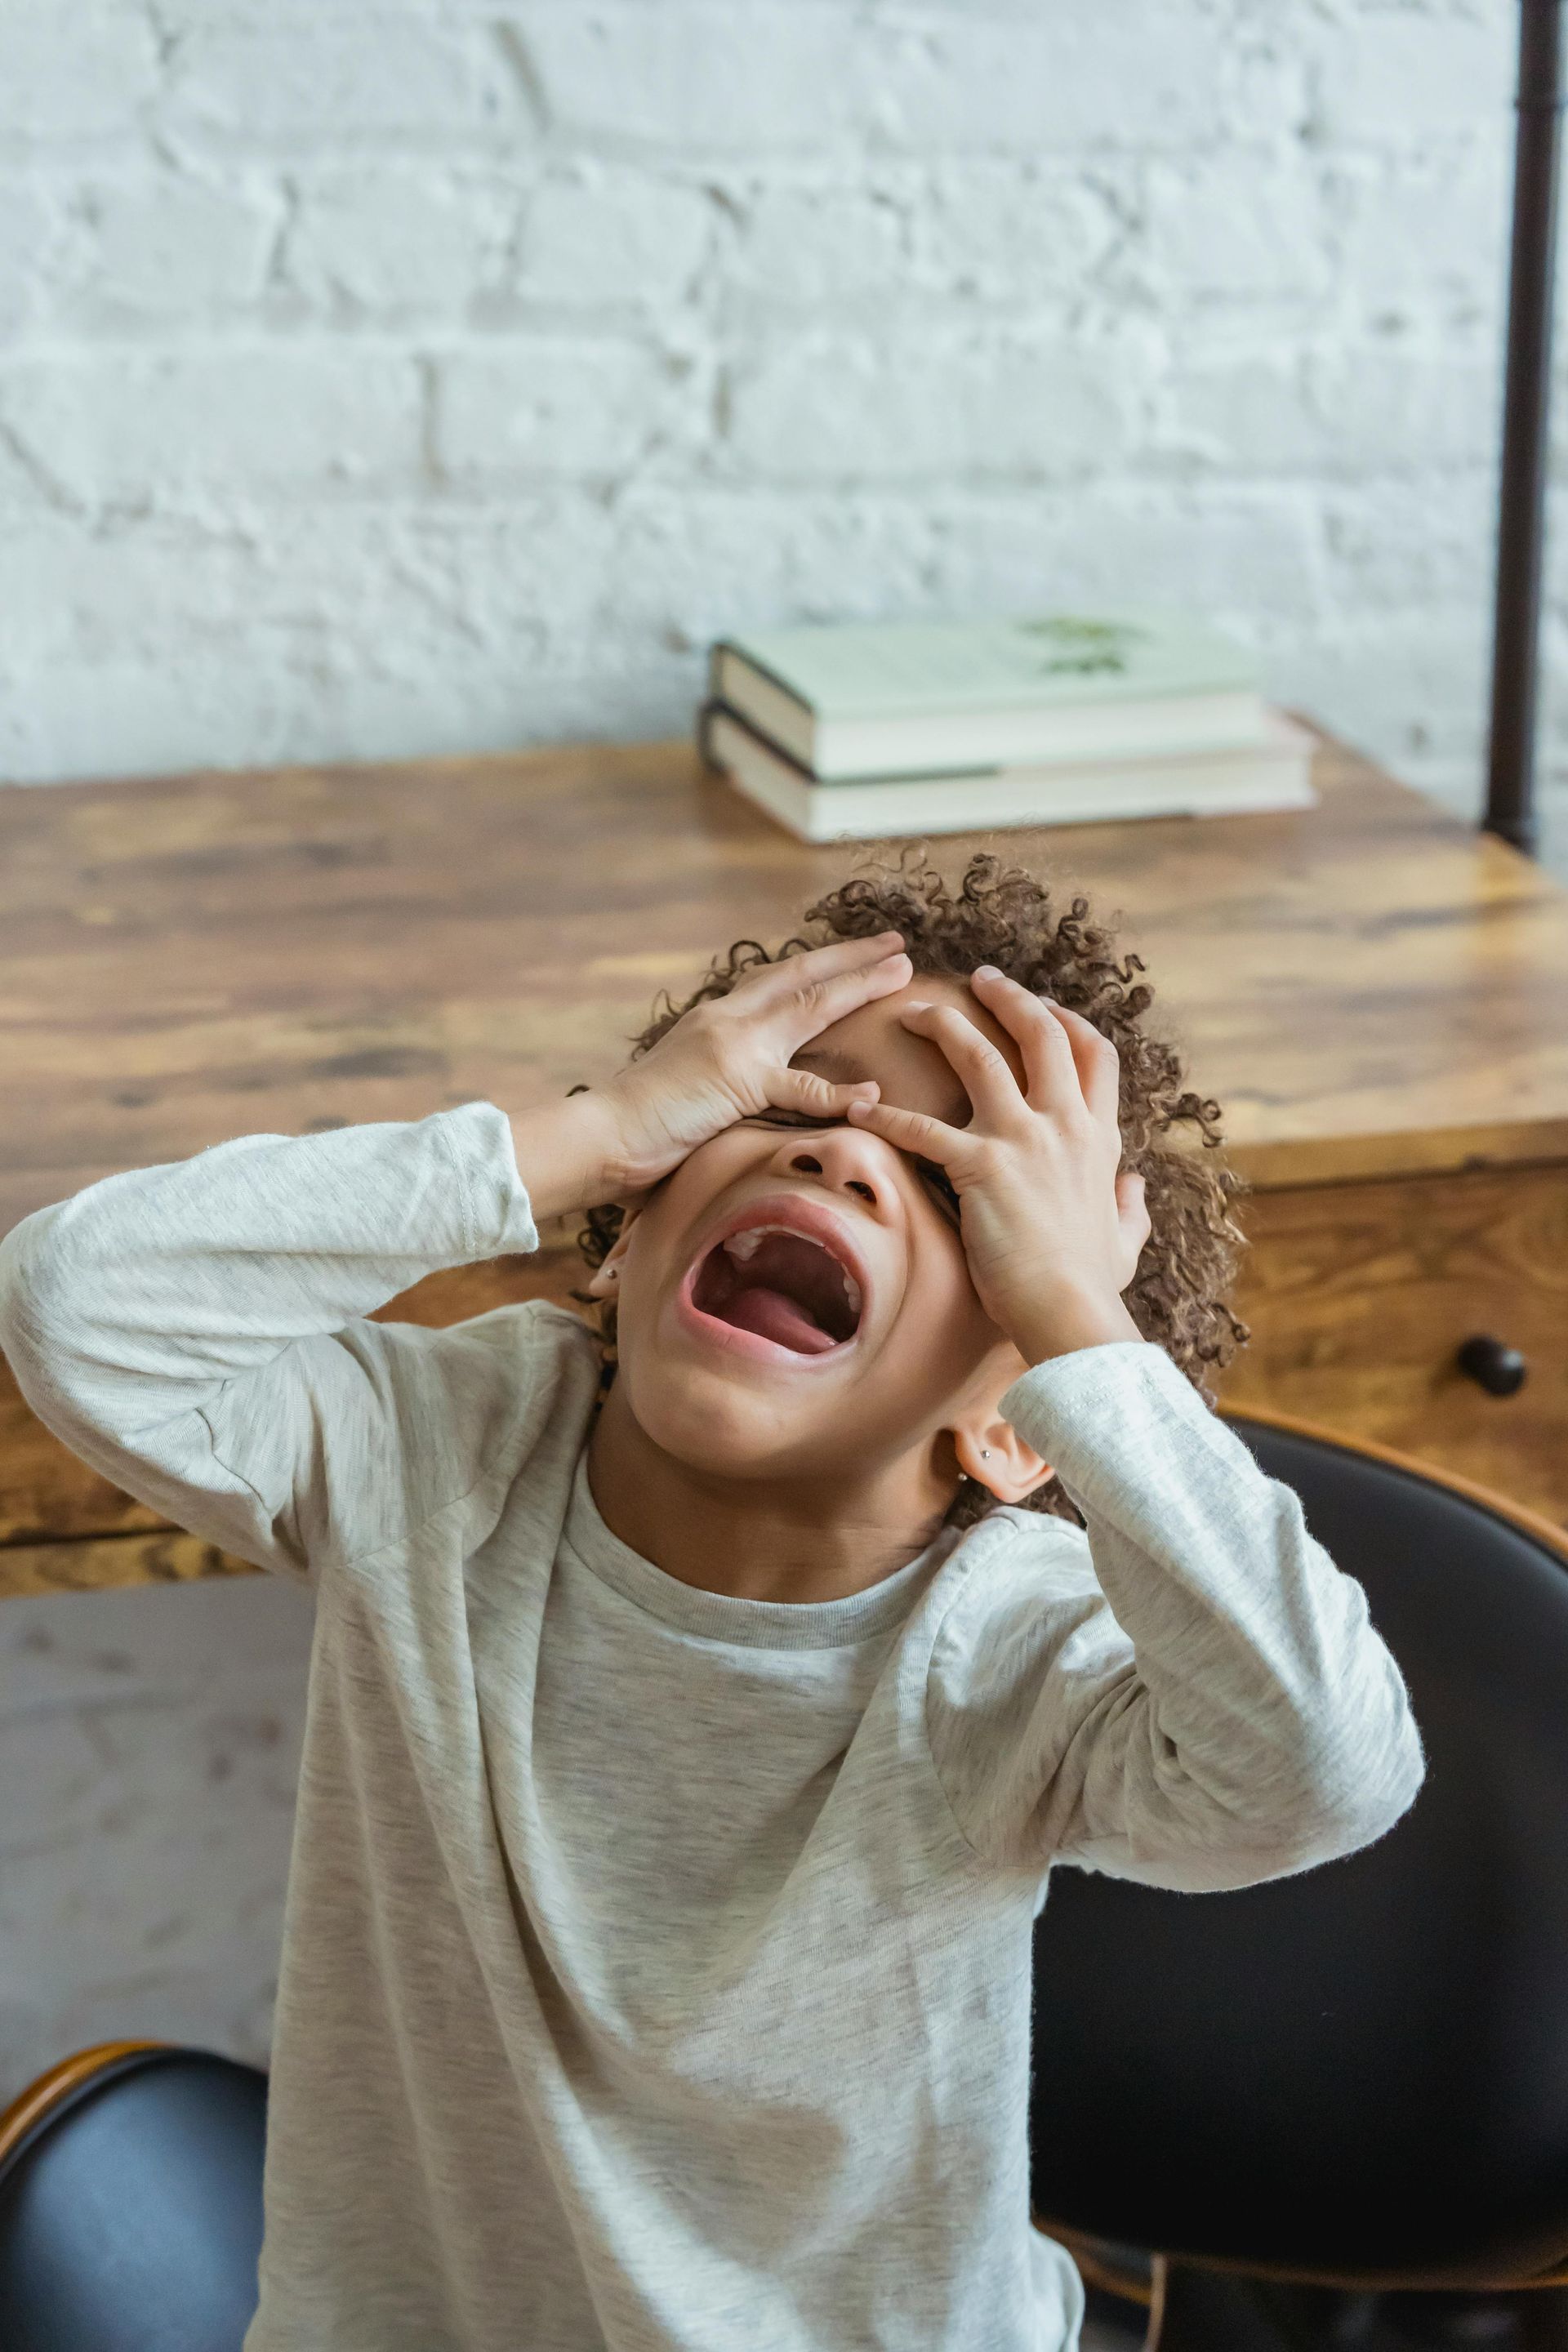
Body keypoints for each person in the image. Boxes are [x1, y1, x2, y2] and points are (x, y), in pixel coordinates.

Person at [0, 853, 1425, 2352]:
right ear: (621, 1244)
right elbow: (76, 1308)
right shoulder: (438, 1457)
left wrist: (1078, 1315)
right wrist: (586, 1134)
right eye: (789, 1103)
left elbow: (1325, 1768)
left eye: (962, 1189)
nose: (842, 1159)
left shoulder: (1006, 1649)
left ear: (1018, 1425)